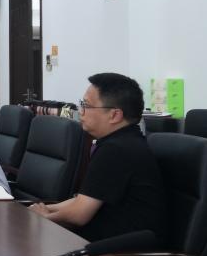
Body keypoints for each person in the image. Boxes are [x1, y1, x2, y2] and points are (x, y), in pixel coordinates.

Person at [31, 73, 167, 244]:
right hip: (101, 242)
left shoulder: (117, 150)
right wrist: (44, 209)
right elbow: (83, 200)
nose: (81, 111)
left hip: (120, 253)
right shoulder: (123, 141)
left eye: (86, 105)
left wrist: (44, 217)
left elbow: (79, 214)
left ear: (115, 115)